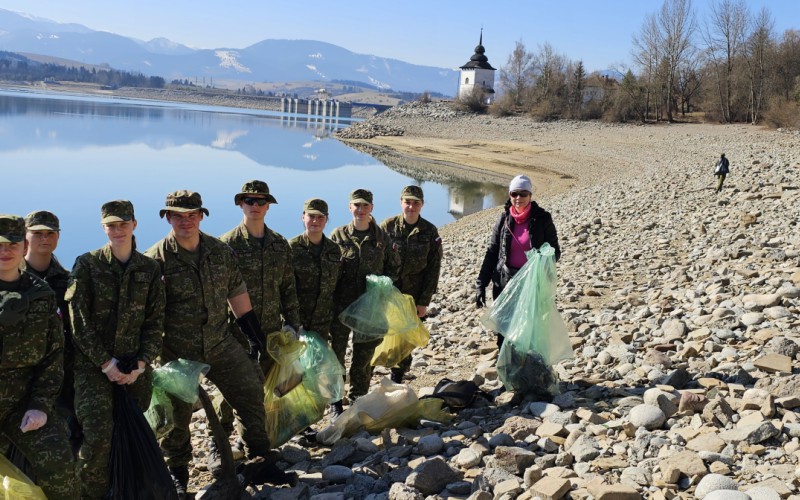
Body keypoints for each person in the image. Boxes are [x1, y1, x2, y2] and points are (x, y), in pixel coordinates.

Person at [144, 190, 290, 498]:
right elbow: (146, 315)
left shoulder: (220, 252)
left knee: (250, 390)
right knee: (177, 415)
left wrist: (255, 337)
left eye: (191, 215)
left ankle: (259, 457)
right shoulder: (154, 261)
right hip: (176, 351)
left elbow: (238, 297)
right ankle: (178, 472)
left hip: (219, 342)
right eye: (178, 216)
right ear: (168, 218)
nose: (185, 221)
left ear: (201, 216)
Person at [65, 200, 164, 498]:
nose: (117, 230)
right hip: (93, 369)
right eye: (111, 225)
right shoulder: (87, 264)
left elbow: (155, 321)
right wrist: (106, 364)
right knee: (98, 435)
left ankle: (130, 490)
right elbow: (79, 322)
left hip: (134, 370)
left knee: (133, 432)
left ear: (134, 225)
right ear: (103, 228)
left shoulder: (149, 268)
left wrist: (142, 364)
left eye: (123, 224)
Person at [215, 180, 300, 465]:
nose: (255, 206)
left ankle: (252, 440)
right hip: (237, 334)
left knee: (263, 388)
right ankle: (220, 441)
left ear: (268, 206)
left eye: (260, 201)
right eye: (249, 201)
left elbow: (288, 287)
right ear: (240, 204)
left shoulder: (279, 244)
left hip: (271, 333)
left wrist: (294, 324)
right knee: (231, 391)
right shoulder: (226, 245)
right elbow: (218, 293)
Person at [0, 214, 78, 500]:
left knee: (60, 465)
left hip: (23, 404)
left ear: (24, 247)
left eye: (12, 244)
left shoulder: (41, 294)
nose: (6, 251)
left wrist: (40, 406)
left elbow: (52, 357)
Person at [330, 189, 399, 414]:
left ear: (371, 208)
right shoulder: (338, 236)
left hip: (371, 308)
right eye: (356, 205)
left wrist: (382, 286)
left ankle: (358, 401)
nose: (360, 210)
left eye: (365, 206)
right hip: (342, 307)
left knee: (363, 357)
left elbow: (394, 267)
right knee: (336, 356)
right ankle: (336, 404)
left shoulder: (381, 238)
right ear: (350, 207)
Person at [476, 175, 560, 348]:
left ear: (530, 195)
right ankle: (504, 363)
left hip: (532, 285)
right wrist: (481, 283)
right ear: (510, 195)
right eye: (514, 194)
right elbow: (492, 251)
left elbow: (555, 252)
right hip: (505, 283)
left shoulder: (542, 218)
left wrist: (542, 257)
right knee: (504, 331)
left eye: (523, 194)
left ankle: (527, 364)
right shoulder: (504, 218)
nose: (518, 198)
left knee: (529, 331)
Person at [22, 210, 79, 445]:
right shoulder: (12, 279)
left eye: (50, 233)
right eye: (37, 233)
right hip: (22, 375)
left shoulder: (68, 281)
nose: (44, 238)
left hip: (64, 372)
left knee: (70, 437)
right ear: (25, 236)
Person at [380, 185, 443, 383]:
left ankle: (397, 378)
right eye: (407, 202)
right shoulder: (387, 227)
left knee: (406, 340)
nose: (411, 207)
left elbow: (433, 268)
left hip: (414, 295)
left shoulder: (429, 231)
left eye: (416, 203)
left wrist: (424, 301)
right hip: (390, 293)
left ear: (422, 205)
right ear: (401, 203)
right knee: (384, 337)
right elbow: (377, 259)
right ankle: (375, 375)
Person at [288, 198, 341, 339]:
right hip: (296, 321)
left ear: (326, 219)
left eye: (320, 217)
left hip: (323, 321)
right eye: (311, 216)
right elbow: (283, 285)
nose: (315, 221)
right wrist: (291, 321)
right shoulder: (291, 247)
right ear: (303, 217)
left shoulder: (334, 249)